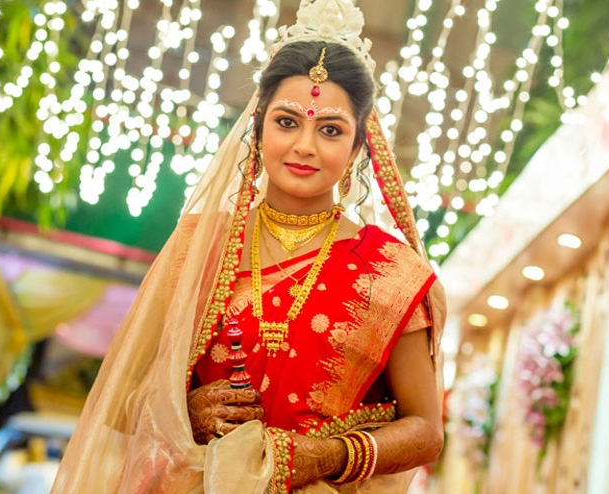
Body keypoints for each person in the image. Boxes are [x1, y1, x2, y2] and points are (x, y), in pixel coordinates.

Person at [50, 1, 446, 493]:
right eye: (287, 122)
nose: (305, 145)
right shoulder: (199, 247)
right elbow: (118, 398)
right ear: (257, 128)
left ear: (359, 147)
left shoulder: (392, 271)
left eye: (330, 130)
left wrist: (330, 455)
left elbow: (427, 431)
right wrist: (183, 414)